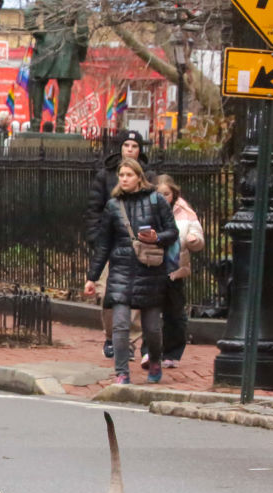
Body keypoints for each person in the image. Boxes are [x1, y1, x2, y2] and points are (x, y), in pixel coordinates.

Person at [84, 158, 178, 384]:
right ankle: (122, 372)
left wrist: (156, 237)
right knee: (120, 325)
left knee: (152, 328)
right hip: (121, 270)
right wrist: (92, 278)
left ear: (139, 177)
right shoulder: (113, 205)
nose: (124, 179)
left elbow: (172, 232)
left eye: (129, 175)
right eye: (121, 175)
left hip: (150, 271)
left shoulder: (156, 200)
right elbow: (103, 244)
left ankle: (154, 360)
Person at [84, 129, 155, 359]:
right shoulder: (105, 175)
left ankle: (127, 341)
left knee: (134, 295)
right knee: (108, 293)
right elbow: (94, 209)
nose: (130, 150)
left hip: (138, 246)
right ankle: (111, 336)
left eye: (135, 146)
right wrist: (96, 238)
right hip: (111, 245)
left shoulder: (149, 177)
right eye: (126, 145)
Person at [139, 174, 205, 368]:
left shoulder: (185, 212)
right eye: (159, 194)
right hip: (152, 267)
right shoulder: (146, 210)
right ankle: (148, 352)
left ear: (174, 194)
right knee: (150, 312)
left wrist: (194, 240)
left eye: (167, 194)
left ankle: (172, 353)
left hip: (175, 269)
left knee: (174, 314)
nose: (163, 198)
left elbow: (198, 238)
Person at [23, 0, 89, 132]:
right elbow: (82, 30)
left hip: (46, 43)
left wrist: (38, 34)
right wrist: (81, 50)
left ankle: (36, 122)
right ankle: (60, 123)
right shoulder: (76, 2)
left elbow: (28, 13)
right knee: (65, 84)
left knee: (39, 83)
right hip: (67, 44)